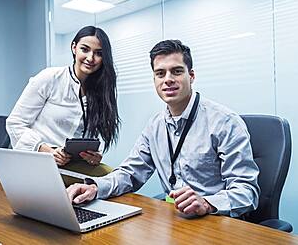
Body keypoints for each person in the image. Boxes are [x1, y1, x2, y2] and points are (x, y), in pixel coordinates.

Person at [67, 39, 260, 217]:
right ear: (154, 80)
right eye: (160, 73)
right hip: (177, 220)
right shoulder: (155, 125)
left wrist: (208, 203)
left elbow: (247, 191)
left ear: (191, 76)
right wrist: (94, 187)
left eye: (176, 71)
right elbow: (129, 173)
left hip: (217, 221)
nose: (167, 79)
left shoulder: (224, 122)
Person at [6, 26, 120, 181]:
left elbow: (86, 137)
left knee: (115, 179)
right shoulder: (50, 77)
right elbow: (14, 123)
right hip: (38, 162)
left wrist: (93, 155)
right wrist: (46, 150)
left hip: (70, 164)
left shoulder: (100, 91)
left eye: (98, 53)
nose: (91, 58)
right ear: (74, 48)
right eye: (85, 49)